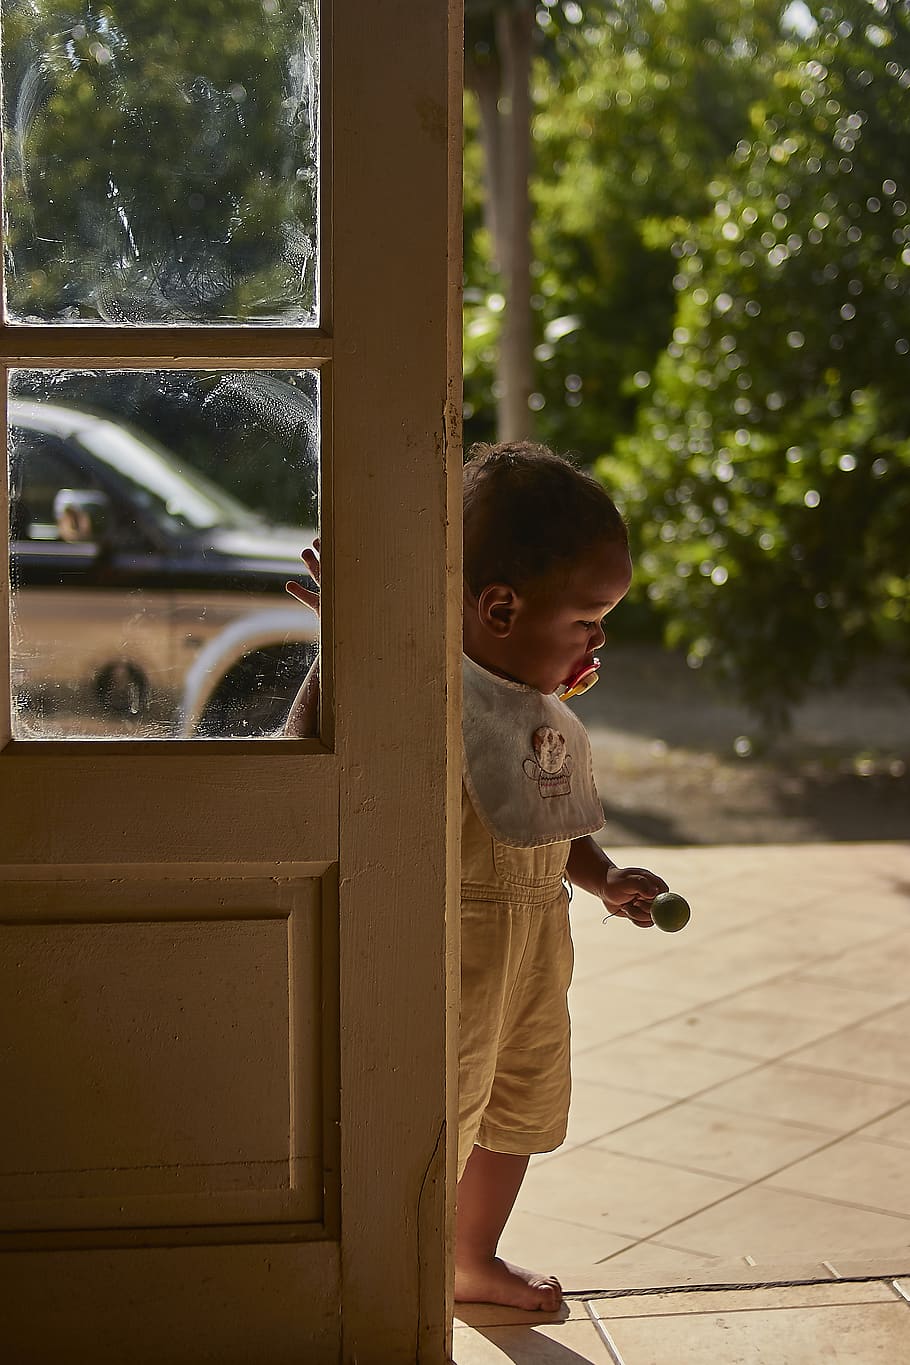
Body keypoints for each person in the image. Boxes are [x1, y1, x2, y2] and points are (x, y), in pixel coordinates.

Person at [284, 442, 668, 1313]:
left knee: (517, 1106)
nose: (598, 638)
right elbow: (305, 750)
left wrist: (604, 876)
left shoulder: (538, 711)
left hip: (535, 951)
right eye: (587, 618)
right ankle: (390, 1262)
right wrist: (345, 638)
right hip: (448, 957)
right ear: (500, 607)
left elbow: (543, 813)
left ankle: (468, 1255)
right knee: (436, 1114)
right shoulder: (423, 689)